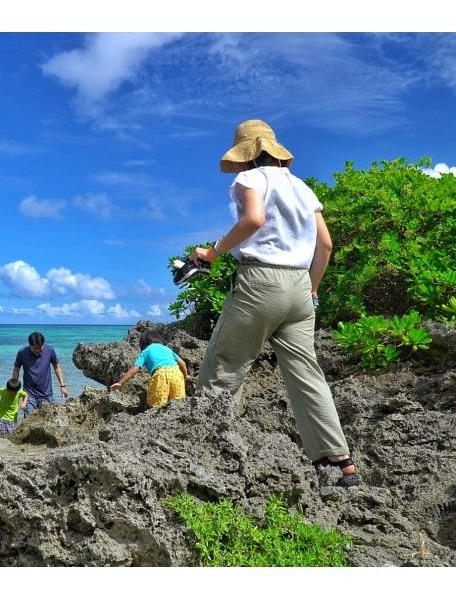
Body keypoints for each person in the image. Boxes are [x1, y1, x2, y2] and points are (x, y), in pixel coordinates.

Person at [189, 118, 359, 487]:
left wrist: (214, 252)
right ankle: (340, 461)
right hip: (300, 286)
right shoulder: (302, 187)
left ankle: (199, 447)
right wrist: (312, 289)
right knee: (307, 374)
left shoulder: (250, 179)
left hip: (261, 280)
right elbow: (325, 245)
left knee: (225, 362)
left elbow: (253, 218)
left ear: (246, 155)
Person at [110, 329, 188, 408]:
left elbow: (134, 369)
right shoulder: (167, 349)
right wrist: (185, 376)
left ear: (143, 342)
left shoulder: (146, 351)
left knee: (157, 406)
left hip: (161, 375)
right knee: (178, 404)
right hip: (176, 373)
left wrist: (121, 383)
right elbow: (183, 364)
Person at [12, 331, 69, 416]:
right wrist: (15, 387)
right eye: (35, 349)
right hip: (29, 395)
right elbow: (16, 369)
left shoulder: (50, 350)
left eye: (40, 348)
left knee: (50, 423)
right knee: (28, 423)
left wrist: (62, 386)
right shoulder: (22, 352)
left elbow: (56, 367)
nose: (38, 351)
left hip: (47, 395)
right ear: (29, 345)